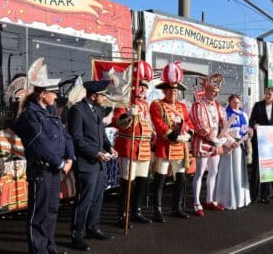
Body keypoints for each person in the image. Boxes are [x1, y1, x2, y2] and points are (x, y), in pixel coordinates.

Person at [14, 62, 73, 254]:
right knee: (38, 215)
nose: (56, 96)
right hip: (41, 170)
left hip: (54, 170)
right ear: (42, 94)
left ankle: (49, 246)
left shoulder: (50, 112)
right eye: (53, 92)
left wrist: (70, 157)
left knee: (52, 212)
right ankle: (38, 250)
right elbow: (40, 145)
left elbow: (65, 136)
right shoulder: (29, 115)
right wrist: (60, 162)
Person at [68, 80, 118, 251]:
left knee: (97, 198)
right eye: (103, 95)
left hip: (99, 164)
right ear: (94, 95)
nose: (105, 98)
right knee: (84, 200)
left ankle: (92, 227)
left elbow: (101, 134)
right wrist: (96, 153)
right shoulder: (77, 110)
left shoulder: (97, 109)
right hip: (86, 163)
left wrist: (109, 146)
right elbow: (77, 139)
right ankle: (77, 235)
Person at [149, 62, 194, 223]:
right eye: (170, 90)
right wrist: (172, 135)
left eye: (175, 90)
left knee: (181, 179)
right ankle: (157, 210)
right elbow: (158, 123)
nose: (173, 93)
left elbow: (188, 122)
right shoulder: (156, 105)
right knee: (160, 180)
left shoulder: (182, 106)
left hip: (180, 149)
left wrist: (188, 134)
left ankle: (177, 208)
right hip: (165, 147)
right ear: (164, 91)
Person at [112, 65, 153, 227]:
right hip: (129, 146)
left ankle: (136, 211)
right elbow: (117, 122)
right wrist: (129, 114)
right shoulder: (124, 101)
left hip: (143, 149)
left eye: (144, 86)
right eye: (139, 85)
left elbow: (147, 125)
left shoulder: (145, 104)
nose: (142, 89)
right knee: (127, 184)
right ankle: (123, 215)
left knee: (142, 182)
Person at [191, 73, 226, 216]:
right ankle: (196, 202)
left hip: (215, 143)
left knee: (214, 172)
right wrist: (212, 137)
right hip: (203, 142)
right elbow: (198, 124)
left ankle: (210, 200)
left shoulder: (217, 105)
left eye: (217, 92)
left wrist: (226, 135)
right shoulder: (198, 104)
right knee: (199, 173)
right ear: (206, 90)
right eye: (213, 91)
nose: (215, 94)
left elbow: (223, 121)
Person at [215, 93, 251, 210]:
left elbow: (245, 130)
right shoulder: (225, 113)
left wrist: (248, 135)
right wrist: (230, 142)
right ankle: (226, 199)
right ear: (229, 102)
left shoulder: (244, 115)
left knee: (238, 171)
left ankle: (239, 198)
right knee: (227, 171)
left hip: (239, 146)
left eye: (237, 102)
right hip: (228, 145)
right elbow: (222, 131)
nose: (236, 104)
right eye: (233, 102)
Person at [248, 86, 273, 204]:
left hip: (271, 142)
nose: (267, 96)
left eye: (270, 94)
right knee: (256, 168)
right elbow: (251, 120)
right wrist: (255, 125)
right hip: (259, 140)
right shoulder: (258, 105)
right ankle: (253, 196)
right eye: (266, 94)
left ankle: (265, 195)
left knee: (267, 169)